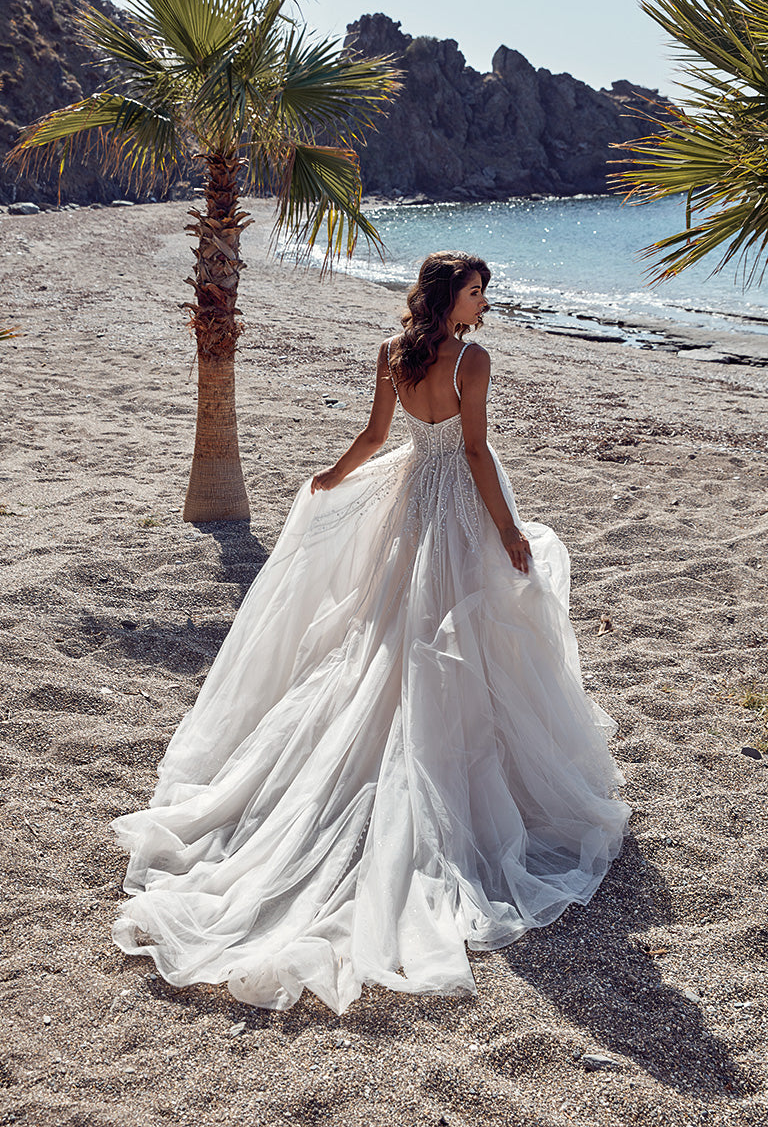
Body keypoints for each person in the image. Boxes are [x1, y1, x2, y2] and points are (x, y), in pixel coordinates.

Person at [112, 251, 630, 1015]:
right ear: (452, 297)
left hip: (409, 497)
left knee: (390, 636)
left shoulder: (394, 354)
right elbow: (478, 453)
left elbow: (374, 434)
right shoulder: (473, 359)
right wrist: (510, 530)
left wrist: (333, 477)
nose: (483, 301)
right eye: (476, 290)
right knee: (459, 635)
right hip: (454, 504)